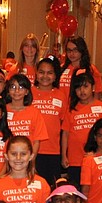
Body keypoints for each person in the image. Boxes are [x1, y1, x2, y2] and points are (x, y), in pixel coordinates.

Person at [61, 72, 102, 185]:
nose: (82, 91)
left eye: (86, 86)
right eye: (78, 88)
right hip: (76, 159)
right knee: (77, 188)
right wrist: (63, 155)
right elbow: (65, 133)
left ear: (93, 88)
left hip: (97, 157)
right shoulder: (71, 110)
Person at [32, 56, 67, 187]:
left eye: (49, 73)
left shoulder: (60, 95)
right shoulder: (28, 94)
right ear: (36, 74)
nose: (45, 76)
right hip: (33, 150)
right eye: (41, 72)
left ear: (55, 76)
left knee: (52, 187)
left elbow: (64, 127)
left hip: (53, 151)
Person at [5, 73, 48, 157]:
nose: (16, 91)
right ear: (8, 91)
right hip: (7, 156)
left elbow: (36, 141)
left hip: (27, 157)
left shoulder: (34, 112)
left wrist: (31, 159)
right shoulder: (2, 110)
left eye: (21, 87)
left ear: (27, 91)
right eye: (13, 87)